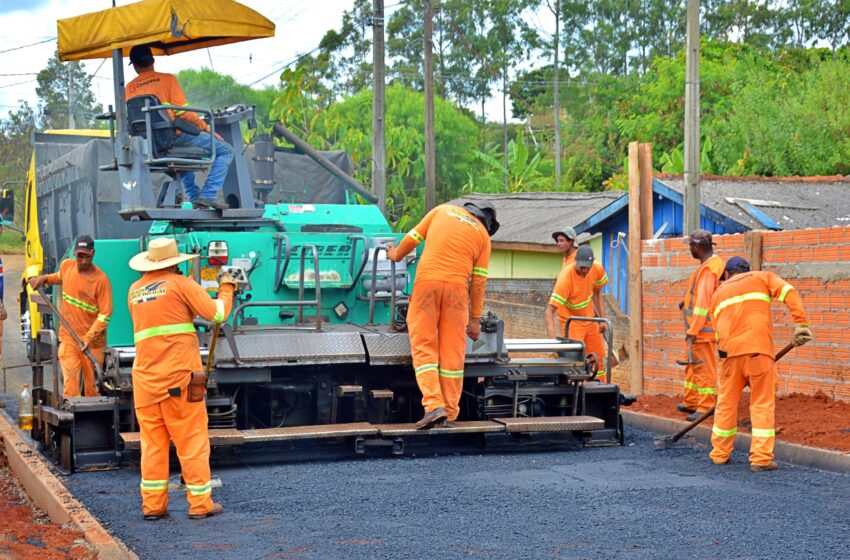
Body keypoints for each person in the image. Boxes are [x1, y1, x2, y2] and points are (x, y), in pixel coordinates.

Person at [127, 237, 235, 520]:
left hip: (145, 383)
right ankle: (200, 505)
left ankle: (153, 507)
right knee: (192, 442)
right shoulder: (182, 284)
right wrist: (227, 287)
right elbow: (218, 314)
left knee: (153, 447)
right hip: (178, 381)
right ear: (175, 263)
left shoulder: (134, 290)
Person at [386, 201, 497, 429]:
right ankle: (448, 412)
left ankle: (433, 405)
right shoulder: (483, 237)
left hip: (427, 284)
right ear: (487, 223)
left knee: (424, 345)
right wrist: (475, 319)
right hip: (457, 292)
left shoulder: (442, 210)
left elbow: (412, 239)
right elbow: (478, 282)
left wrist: (396, 255)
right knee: (452, 353)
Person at [708, 256, 812, 472]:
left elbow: (717, 331)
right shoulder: (762, 277)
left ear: (727, 274)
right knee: (761, 403)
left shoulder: (717, 293)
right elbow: (789, 292)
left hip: (728, 355)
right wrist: (800, 324)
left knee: (726, 404)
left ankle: (719, 454)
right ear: (748, 269)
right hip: (758, 352)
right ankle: (761, 459)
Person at [125, 44, 234, 210]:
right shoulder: (167, 79)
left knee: (182, 157)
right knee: (226, 151)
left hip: (147, 145)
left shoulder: (129, 89)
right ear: (152, 61)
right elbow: (183, 113)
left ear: (135, 66)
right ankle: (207, 195)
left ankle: (196, 199)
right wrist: (207, 128)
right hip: (171, 139)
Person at [28, 235, 112, 397]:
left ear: (92, 253)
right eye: (79, 255)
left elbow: (105, 314)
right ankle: (73, 416)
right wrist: (44, 278)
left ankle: (93, 418)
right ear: (74, 253)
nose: (82, 260)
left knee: (92, 387)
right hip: (69, 338)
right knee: (70, 381)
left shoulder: (101, 280)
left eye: (85, 256)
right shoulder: (67, 266)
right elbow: (59, 277)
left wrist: (89, 337)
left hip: (93, 343)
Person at [678, 229, 725, 421]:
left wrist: (694, 330)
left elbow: (703, 302)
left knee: (703, 368)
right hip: (699, 329)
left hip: (702, 331)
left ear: (696, 247)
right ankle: (692, 402)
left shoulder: (708, 270)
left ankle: (705, 406)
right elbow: (699, 295)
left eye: (690, 246)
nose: (689, 249)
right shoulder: (711, 265)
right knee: (693, 365)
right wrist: (685, 301)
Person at [545, 245, 609, 381]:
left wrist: (602, 319)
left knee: (597, 360)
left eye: (588, 267)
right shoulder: (565, 280)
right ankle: (579, 395)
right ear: (575, 261)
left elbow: (597, 292)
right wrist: (553, 347)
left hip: (590, 320)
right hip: (572, 322)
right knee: (576, 363)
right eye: (582, 267)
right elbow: (549, 313)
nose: (585, 271)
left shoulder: (597, 269)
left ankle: (602, 391)